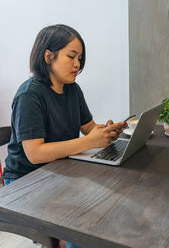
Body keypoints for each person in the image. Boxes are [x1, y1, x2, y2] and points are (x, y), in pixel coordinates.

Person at [3, 24, 126, 248]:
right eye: (71, 56)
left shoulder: (72, 90)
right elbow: (35, 154)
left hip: (59, 170)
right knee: (80, 216)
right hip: (25, 180)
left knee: (108, 201)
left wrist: (105, 132)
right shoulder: (30, 94)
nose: (77, 64)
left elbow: (88, 128)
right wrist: (88, 142)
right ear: (48, 56)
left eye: (80, 58)